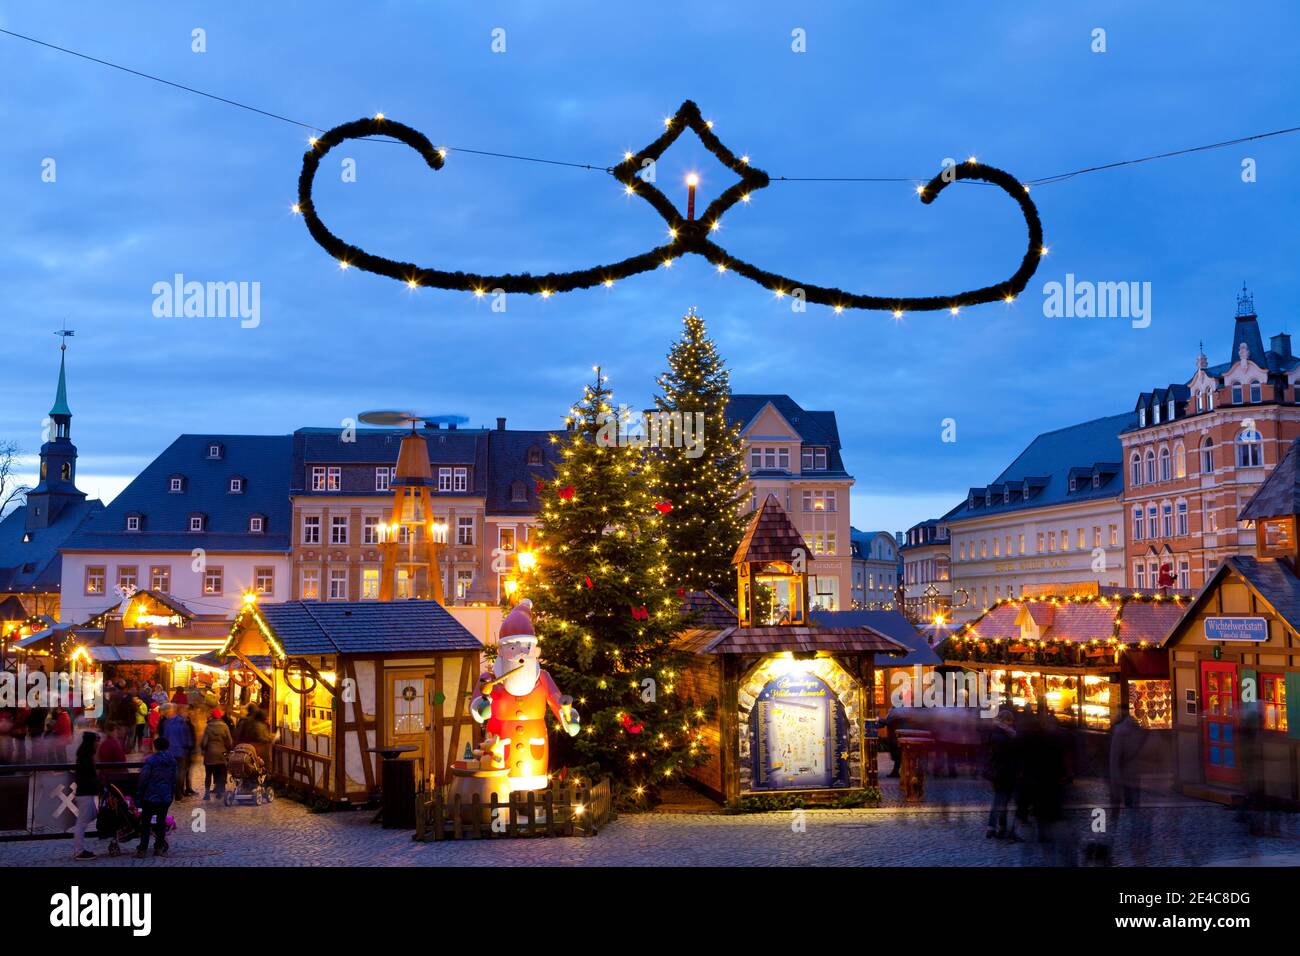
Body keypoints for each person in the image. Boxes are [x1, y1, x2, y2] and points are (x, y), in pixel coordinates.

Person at [135, 737, 177, 857]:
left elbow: (144, 778)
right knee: (161, 822)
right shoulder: (172, 761)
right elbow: (175, 779)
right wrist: (171, 793)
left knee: (146, 822)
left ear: (155, 747)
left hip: (151, 795)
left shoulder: (151, 760)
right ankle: (158, 847)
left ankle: (142, 849)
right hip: (165, 796)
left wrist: (140, 792)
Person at [985, 706, 1019, 840]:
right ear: (1006, 721)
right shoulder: (1006, 736)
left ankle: (997, 827)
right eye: (1010, 721)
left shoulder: (996, 733)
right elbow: (1007, 754)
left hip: (999, 772)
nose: (1011, 723)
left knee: (1000, 800)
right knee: (1000, 800)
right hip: (1004, 772)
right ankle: (995, 827)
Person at [71, 731, 101, 860]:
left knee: (92, 814)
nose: (98, 743)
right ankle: (79, 851)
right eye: (96, 741)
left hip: (86, 792)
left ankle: (79, 849)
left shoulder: (85, 756)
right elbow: (88, 776)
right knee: (82, 823)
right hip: (85, 792)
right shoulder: (85, 758)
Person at [157, 704, 196, 797]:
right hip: (181, 751)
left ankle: (173, 791)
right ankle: (179, 792)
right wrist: (189, 746)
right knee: (180, 772)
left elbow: (163, 738)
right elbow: (187, 737)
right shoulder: (182, 722)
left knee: (171, 772)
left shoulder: (166, 723)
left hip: (170, 751)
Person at [200, 709, 233, 800]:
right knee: (221, 773)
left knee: (208, 774)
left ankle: (207, 794)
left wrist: (203, 749)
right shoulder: (225, 726)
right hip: (221, 754)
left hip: (210, 754)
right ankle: (219, 792)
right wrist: (228, 748)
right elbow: (229, 741)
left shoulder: (208, 726)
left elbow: (204, 742)